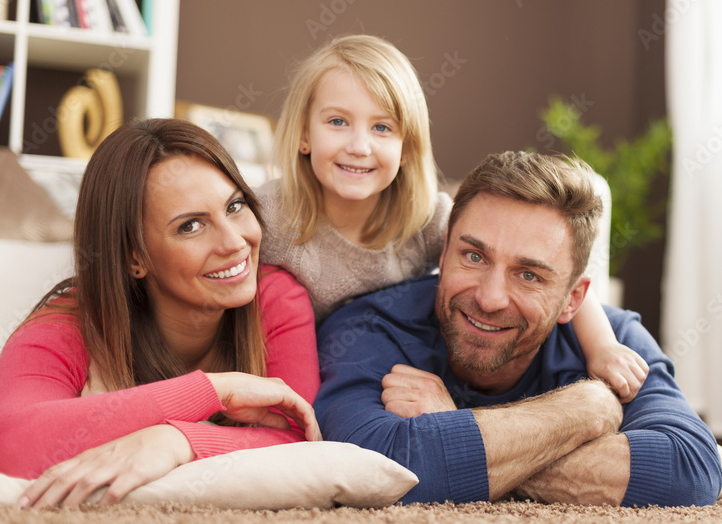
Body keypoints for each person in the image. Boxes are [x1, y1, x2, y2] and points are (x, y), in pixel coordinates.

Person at [314, 151, 722, 508]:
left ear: (573, 300)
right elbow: (367, 463)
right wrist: (585, 410)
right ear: (444, 251)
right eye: (473, 256)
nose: (490, 298)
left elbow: (689, 472)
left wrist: (454, 424)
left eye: (528, 275)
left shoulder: (613, 344)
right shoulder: (368, 328)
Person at [258, 34, 649, 403]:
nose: (359, 146)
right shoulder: (268, 216)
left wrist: (603, 347)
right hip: (284, 372)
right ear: (304, 135)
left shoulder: (427, 219)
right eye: (337, 122)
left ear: (407, 147)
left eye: (381, 128)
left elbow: (562, 280)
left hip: (375, 376)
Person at [0, 119, 322, 508]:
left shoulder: (277, 297)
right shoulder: (68, 324)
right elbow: (5, 444)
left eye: (235, 206)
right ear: (134, 257)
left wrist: (174, 439)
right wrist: (216, 390)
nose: (235, 242)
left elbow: (301, 436)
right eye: (191, 226)